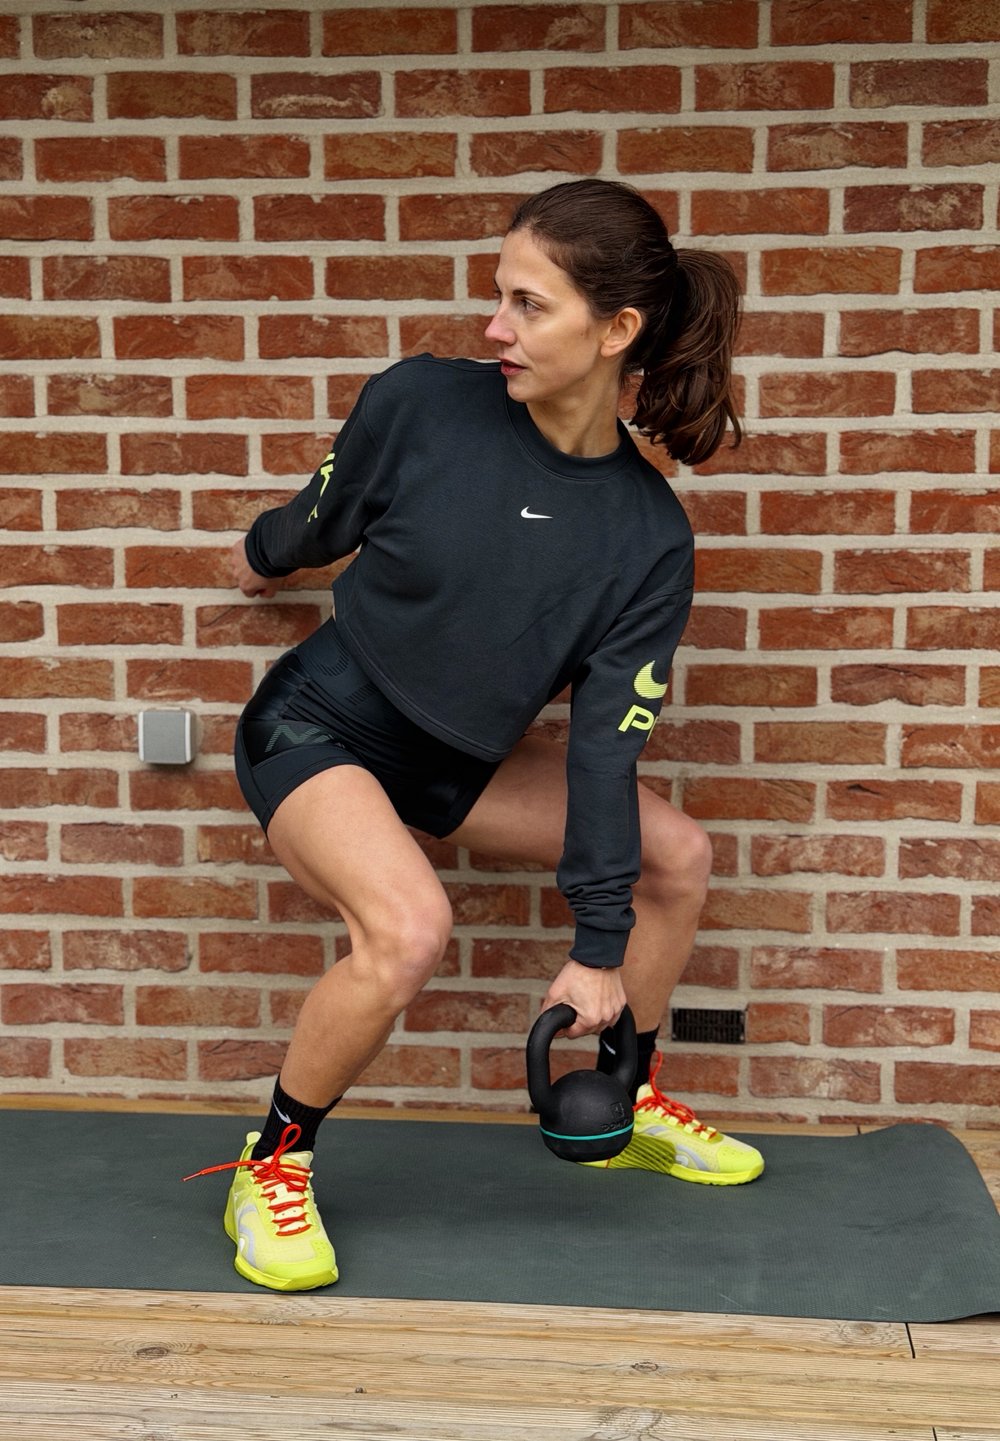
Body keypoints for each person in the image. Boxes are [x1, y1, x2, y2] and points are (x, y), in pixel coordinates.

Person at [183, 178, 764, 1293]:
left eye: (528, 304)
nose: (495, 325)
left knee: (677, 858)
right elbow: (316, 522)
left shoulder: (646, 538)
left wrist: (598, 948)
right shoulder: (421, 404)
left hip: (460, 760)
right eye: (498, 295)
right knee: (409, 930)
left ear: (616, 331)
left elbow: (604, 746)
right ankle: (272, 1163)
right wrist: (262, 556)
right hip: (319, 725)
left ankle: (627, 1093)